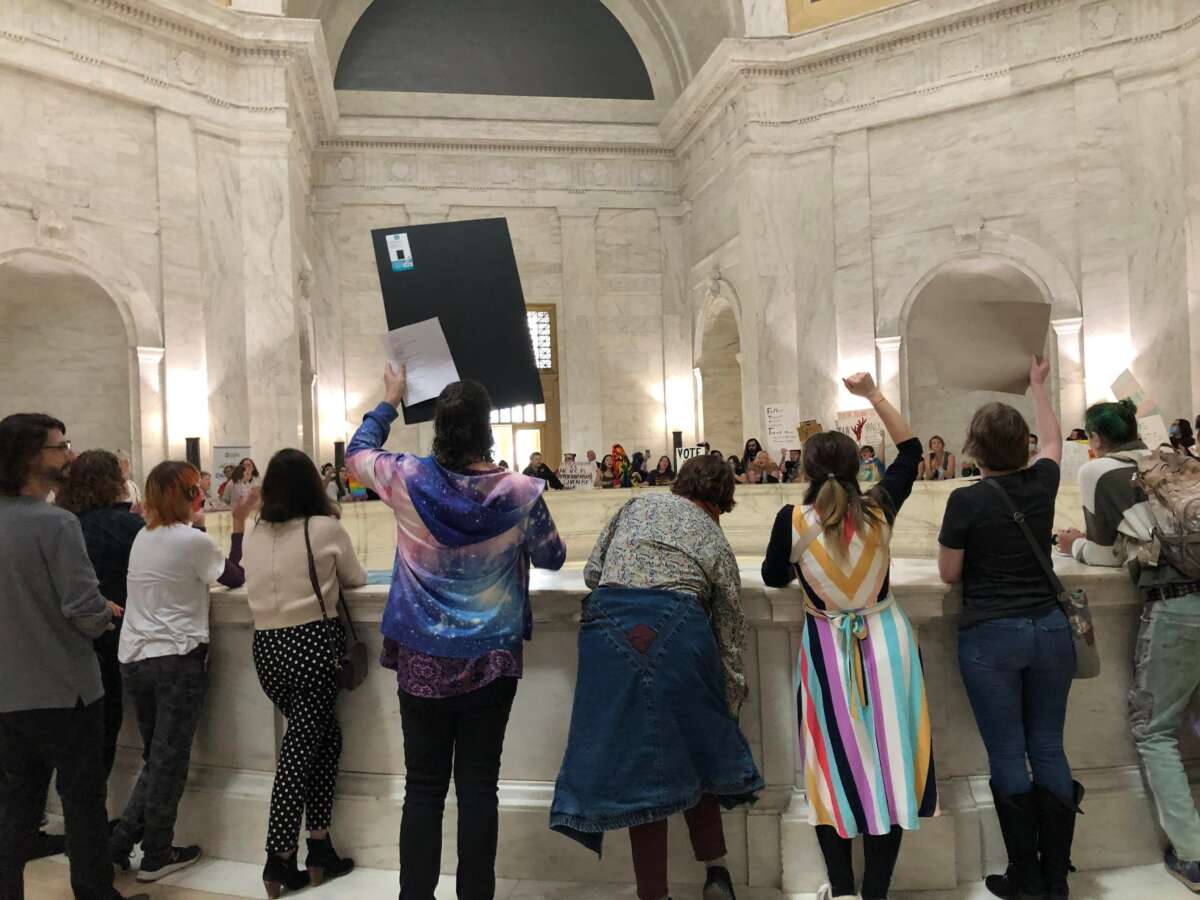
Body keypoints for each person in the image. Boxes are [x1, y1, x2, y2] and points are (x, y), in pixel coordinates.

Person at [346, 365, 566, 899]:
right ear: (487, 428)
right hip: (491, 660)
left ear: (439, 427)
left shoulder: (406, 478)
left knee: (422, 789)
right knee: (478, 791)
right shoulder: (519, 491)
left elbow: (355, 453)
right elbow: (553, 555)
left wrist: (390, 401)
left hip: (422, 657)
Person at [552, 454, 762, 900]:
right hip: (679, 630)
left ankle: (655, 894)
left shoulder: (637, 505)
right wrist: (730, 702)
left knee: (638, 767)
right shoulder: (714, 538)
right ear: (722, 503)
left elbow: (593, 572)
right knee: (699, 748)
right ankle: (716, 872)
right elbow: (730, 628)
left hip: (608, 629)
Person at [761, 374, 935, 900]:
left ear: (806, 470)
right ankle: (876, 892)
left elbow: (773, 577)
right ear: (860, 467)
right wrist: (873, 396)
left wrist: (810, 570)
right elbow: (910, 450)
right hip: (888, 645)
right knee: (892, 765)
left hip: (827, 651)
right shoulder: (881, 508)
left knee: (828, 764)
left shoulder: (792, 520)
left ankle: (841, 891)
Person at [937, 357, 1079, 900]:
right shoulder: (1042, 484)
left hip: (991, 635)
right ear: (1022, 447)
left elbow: (950, 572)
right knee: (1049, 746)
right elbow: (1054, 443)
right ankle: (1057, 876)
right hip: (1049, 629)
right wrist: (1038, 387)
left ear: (972, 449)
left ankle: (1024, 875)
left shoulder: (965, 499)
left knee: (1006, 752)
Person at [0, 414, 150, 900]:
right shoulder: (56, 524)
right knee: (83, 803)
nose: (69, 455)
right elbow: (85, 612)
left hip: (8, 691)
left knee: (16, 809)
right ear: (29, 458)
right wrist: (104, 611)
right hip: (67, 689)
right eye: (60, 447)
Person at [1055, 399, 1200, 890]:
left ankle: (1193, 854)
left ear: (1093, 438)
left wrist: (1071, 543)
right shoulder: (1172, 458)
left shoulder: (1098, 471)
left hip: (1177, 604)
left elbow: (1104, 554)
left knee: (1155, 731)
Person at [109, 462, 254, 882]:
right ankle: (156, 854)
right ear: (190, 495)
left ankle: (119, 844)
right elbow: (234, 576)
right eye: (196, 490)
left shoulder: (143, 536)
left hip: (134, 657)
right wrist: (239, 526)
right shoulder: (192, 541)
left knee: (158, 758)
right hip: (175, 659)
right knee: (169, 762)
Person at [243, 449, 368, 896]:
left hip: (267, 649)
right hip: (311, 645)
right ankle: (278, 860)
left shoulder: (255, 531)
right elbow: (354, 578)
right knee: (298, 751)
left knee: (323, 738)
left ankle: (320, 848)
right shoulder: (324, 527)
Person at [55, 450, 146, 779]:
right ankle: (90, 815)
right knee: (104, 726)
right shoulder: (128, 525)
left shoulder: (60, 520)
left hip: (62, 638)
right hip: (112, 632)